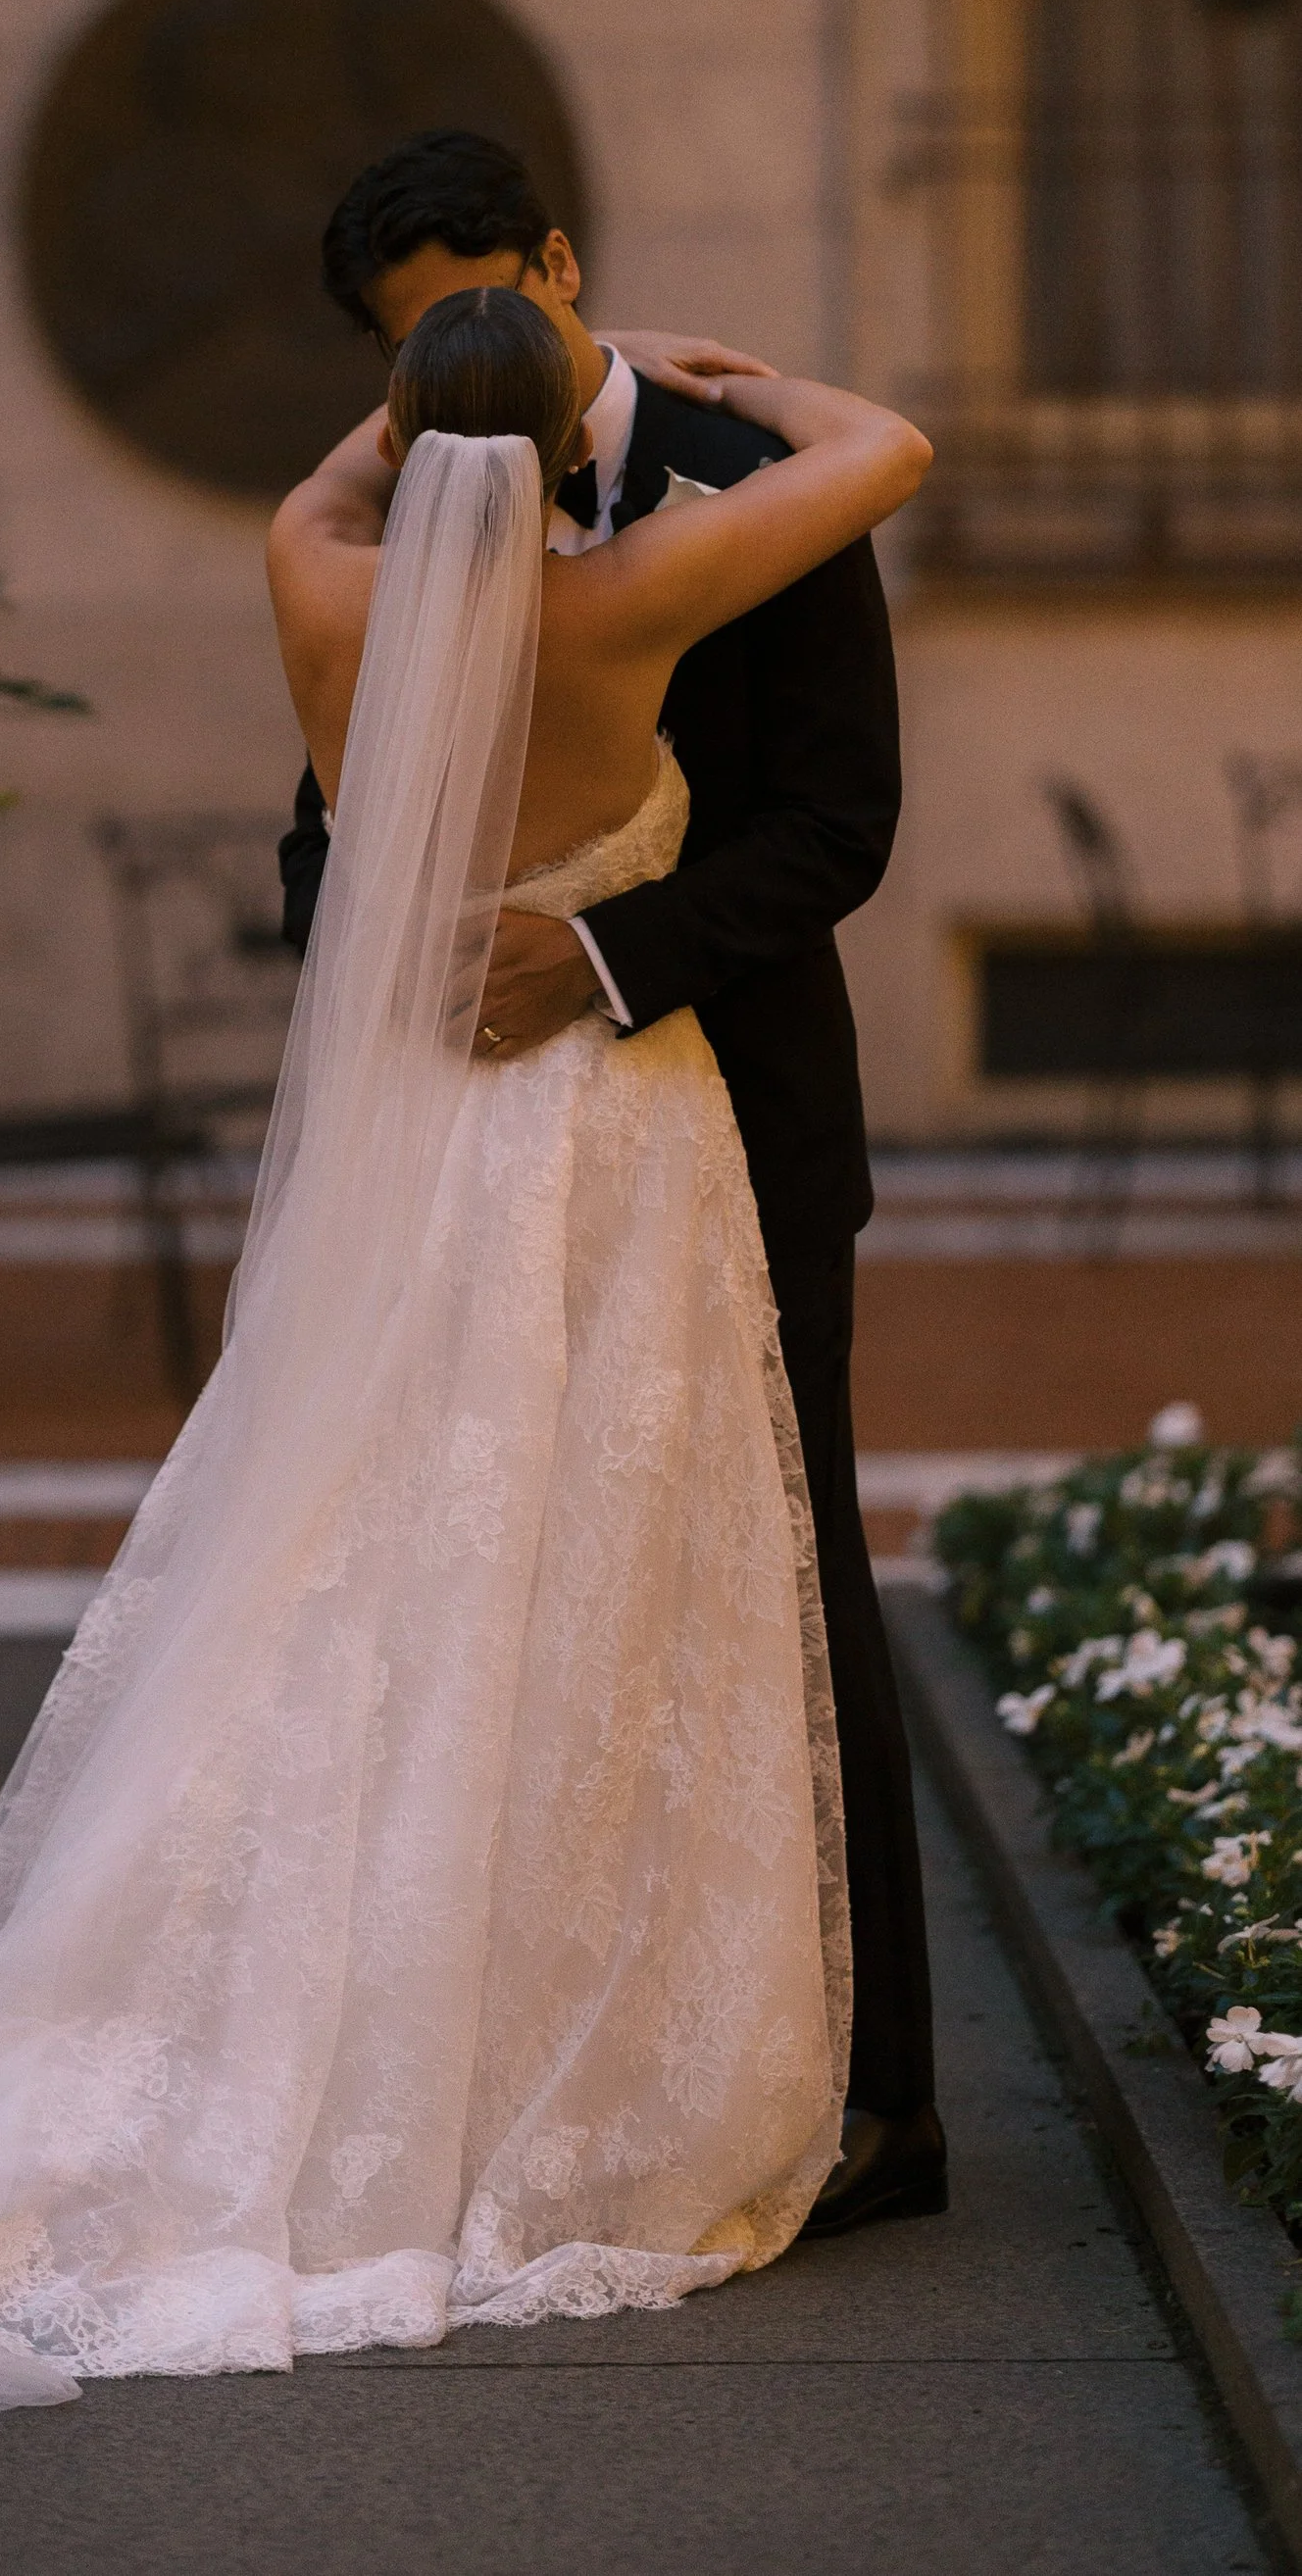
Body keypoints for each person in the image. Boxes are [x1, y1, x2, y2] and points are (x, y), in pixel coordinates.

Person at [0, 278, 933, 2415]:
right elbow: (884, 454)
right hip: (606, 1142)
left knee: (370, 1561)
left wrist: (387, 430)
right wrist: (726, 383)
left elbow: (329, 491)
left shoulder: (318, 588)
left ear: (400, 445)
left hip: (410, 1147)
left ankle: (331, 2001)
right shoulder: (617, 611)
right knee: (621, 1581)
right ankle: (543, 2008)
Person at [280, 125, 943, 2239]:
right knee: (486, 1593)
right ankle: (551, 2062)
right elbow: (314, 827)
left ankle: (869, 2105)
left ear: (561, 265)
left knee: (783, 1584)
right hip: (466, 1135)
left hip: (725, 1109)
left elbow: (838, 824)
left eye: (477, 310)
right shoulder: (407, 522)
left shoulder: (734, 510)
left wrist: (583, 951)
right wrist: (382, 945)